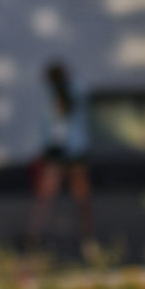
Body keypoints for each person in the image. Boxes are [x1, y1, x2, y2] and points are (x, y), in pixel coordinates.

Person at [28, 60, 94, 248]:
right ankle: (35, 233)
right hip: (56, 151)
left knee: (81, 194)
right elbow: (47, 126)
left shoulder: (75, 91)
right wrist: (45, 147)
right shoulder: (51, 96)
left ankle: (86, 235)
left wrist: (68, 79)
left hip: (75, 150)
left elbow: (82, 94)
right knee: (46, 193)